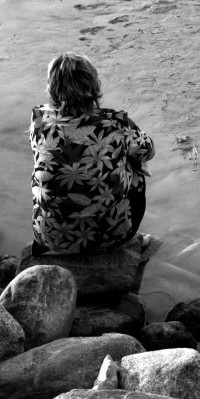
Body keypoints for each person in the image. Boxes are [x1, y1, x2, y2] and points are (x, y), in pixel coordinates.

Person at [30, 52, 154, 255]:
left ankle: (53, 235)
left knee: (48, 161)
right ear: (93, 85)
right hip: (109, 237)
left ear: (52, 88)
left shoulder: (39, 120)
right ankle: (129, 234)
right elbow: (147, 150)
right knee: (136, 166)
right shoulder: (115, 122)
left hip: (49, 237)